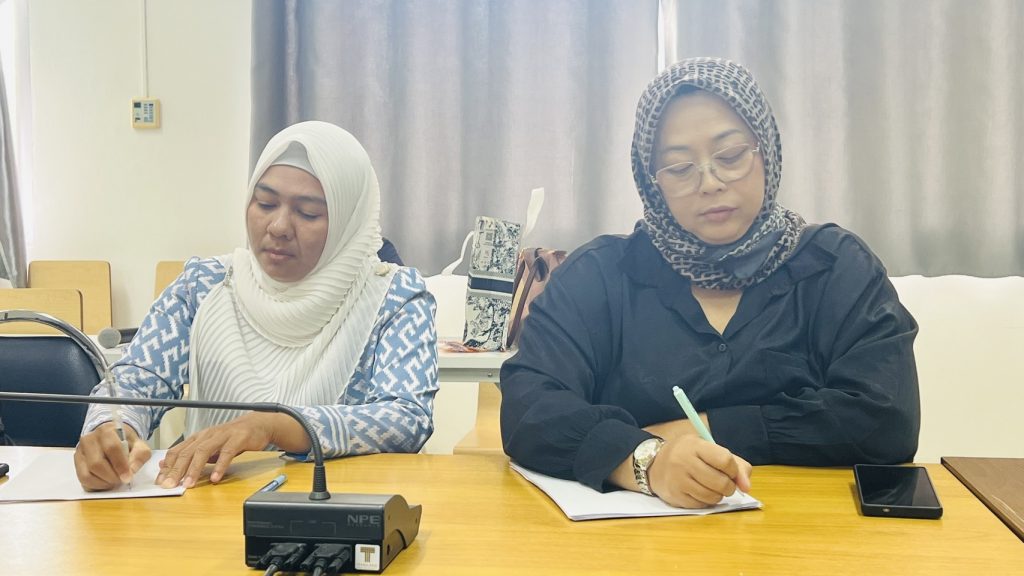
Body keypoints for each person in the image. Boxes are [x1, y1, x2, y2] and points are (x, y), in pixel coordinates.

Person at [500, 58, 920, 509]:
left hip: (808, 531)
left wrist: (706, 429)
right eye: (679, 168)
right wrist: (644, 460)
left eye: (731, 156)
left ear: (766, 152)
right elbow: (530, 408)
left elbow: (886, 419)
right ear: (652, 182)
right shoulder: (599, 275)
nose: (710, 182)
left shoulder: (835, 267)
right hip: (637, 540)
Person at [74, 121, 439, 491]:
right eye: (265, 203)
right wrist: (111, 428)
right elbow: (135, 380)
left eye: (308, 213)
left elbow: (406, 418)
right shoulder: (204, 285)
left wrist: (275, 425)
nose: (278, 226)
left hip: (333, 504)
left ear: (349, 220)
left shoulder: (394, 297)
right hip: (206, 499)